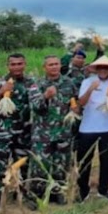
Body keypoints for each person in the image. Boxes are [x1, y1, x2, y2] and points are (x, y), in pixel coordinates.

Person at [0, 53, 36, 211]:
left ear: (25, 64)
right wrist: (2, 91)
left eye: (20, 63)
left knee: (23, 165)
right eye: (13, 64)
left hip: (24, 132)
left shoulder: (31, 83)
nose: (17, 67)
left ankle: (22, 194)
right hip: (2, 132)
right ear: (8, 66)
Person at [28, 55, 78, 201]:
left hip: (63, 132)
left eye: (56, 64)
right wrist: (45, 96)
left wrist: (75, 109)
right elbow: (35, 107)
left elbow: (74, 101)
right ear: (45, 67)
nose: (54, 67)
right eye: (50, 65)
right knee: (40, 165)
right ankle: (37, 195)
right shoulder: (36, 84)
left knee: (60, 165)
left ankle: (58, 193)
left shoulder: (69, 83)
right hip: (42, 133)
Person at [77, 55, 108, 201]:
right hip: (87, 127)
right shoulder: (87, 82)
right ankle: (83, 191)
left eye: (107, 68)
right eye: (101, 67)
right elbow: (82, 102)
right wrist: (91, 89)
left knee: (106, 160)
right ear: (96, 69)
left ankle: (103, 190)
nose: (103, 70)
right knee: (85, 160)